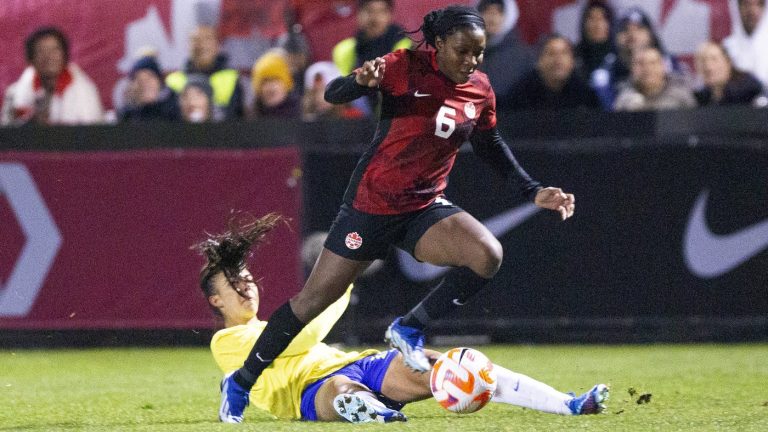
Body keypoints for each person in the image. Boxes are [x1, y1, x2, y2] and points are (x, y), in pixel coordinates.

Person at [218, 6, 577, 423]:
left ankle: (408, 327)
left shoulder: (479, 88)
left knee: (487, 254)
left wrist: (533, 191)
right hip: (371, 206)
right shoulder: (402, 66)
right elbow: (332, 95)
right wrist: (358, 81)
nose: (471, 61)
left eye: (478, 53)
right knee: (314, 301)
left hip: (423, 206)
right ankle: (241, 381)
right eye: (463, 51)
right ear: (439, 44)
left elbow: (490, 143)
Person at [195, 213, 609, 423]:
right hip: (307, 393)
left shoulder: (273, 324)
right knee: (339, 390)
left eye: (247, 276)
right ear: (216, 301)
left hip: (360, 362)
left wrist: (338, 284)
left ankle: (569, 405)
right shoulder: (226, 343)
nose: (247, 284)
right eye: (234, 282)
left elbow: (299, 332)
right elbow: (297, 339)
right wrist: (338, 287)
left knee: (454, 368)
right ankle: (372, 410)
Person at [2, 26, 103, 126]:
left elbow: (94, 134)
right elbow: (6, 135)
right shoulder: (14, 94)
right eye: (41, 51)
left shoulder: (85, 91)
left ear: (64, 56)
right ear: (31, 59)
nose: (49, 57)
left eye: (55, 50)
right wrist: (31, 123)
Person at [332, 0, 413, 113]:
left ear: (390, 15)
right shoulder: (344, 49)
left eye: (381, 12)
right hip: (359, 115)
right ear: (358, 14)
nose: (375, 18)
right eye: (369, 11)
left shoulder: (404, 45)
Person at [165, 25, 246, 121]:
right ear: (188, 46)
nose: (201, 45)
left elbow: (238, 118)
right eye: (195, 40)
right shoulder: (174, 81)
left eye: (207, 39)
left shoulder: (231, 79)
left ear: (217, 45)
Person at [506, 34, 600, 111]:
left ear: (572, 61)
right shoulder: (520, 95)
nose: (558, 60)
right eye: (551, 53)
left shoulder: (585, 96)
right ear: (539, 61)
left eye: (564, 53)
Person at [475, 0, 535, 111]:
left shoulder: (522, 56)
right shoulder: (466, 53)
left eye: (498, 11)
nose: (492, 17)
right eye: (486, 11)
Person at [613, 46, 696, 111]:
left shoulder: (681, 96)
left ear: (663, 66)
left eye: (652, 63)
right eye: (640, 63)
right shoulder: (624, 100)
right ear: (632, 68)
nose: (647, 69)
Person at [693, 41, 764, 106]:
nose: (708, 67)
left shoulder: (749, 89)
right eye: (702, 61)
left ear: (728, 62)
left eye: (714, 59)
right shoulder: (701, 98)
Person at [118, 55, 180, 122]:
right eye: (139, 79)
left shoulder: (177, 109)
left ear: (159, 81)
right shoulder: (127, 116)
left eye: (149, 77)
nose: (145, 83)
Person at [723, 0, 768, 89]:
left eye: (759, 4)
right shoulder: (727, 47)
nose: (752, 10)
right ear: (738, 7)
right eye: (747, 4)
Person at [250, 50, 302, 119]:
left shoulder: (301, 114)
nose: (270, 86)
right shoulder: (251, 116)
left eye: (275, 79)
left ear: (286, 83)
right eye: (265, 81)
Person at [575, 1, 616, 81]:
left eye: (602, 19)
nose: (597, 25)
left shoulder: (619, 56)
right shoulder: (574, 55)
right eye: (592, 18)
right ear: (584, 23)